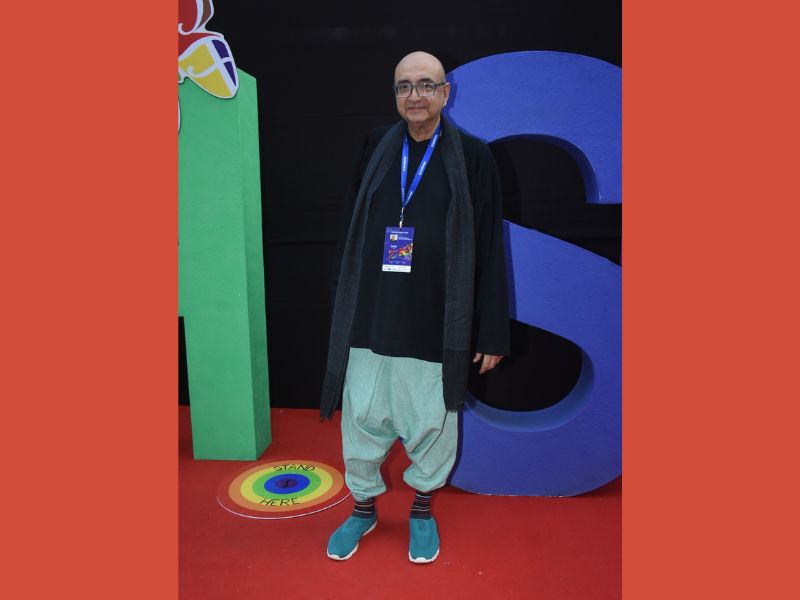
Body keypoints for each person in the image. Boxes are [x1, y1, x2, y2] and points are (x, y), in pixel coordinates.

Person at [320, 51, 509, 563]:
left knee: (433, 421)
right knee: (361, 417)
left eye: (426, 85)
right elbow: (351, 230)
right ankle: (362, 508)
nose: (415, 96)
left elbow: (490, 247)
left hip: (437, 321)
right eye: (404, 86)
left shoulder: (473, 157)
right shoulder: (375, 145)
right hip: (372, 315)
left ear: (446, 93)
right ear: (395, 95)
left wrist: (491, 331)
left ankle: (422, 510)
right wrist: (340, 305)